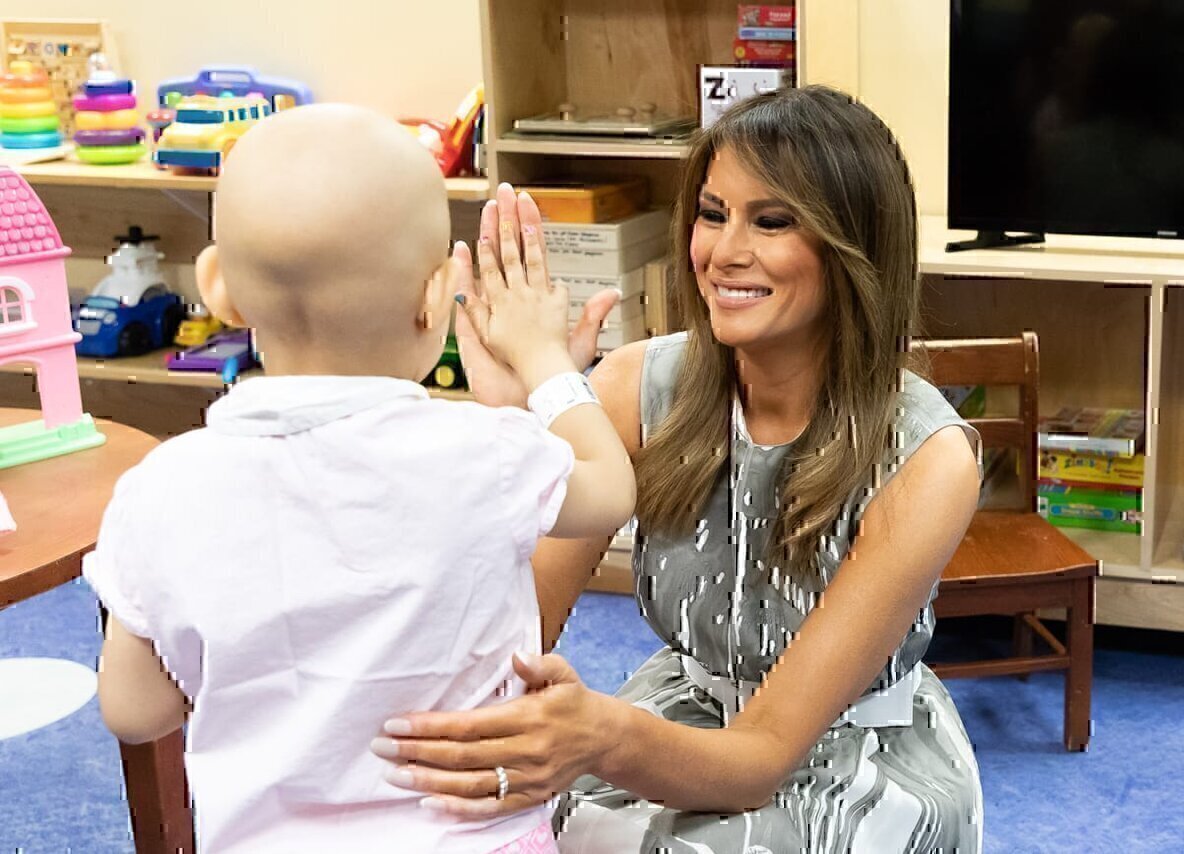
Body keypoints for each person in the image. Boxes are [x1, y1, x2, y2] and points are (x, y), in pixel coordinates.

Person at [373, 85, 986, 853]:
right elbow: (511, 633)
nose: (724, 252)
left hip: (844, 758)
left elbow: (759, 760)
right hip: (681, 716)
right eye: (711, 213)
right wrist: (510, 436)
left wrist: (596, 736)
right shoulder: (635, 385)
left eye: (772, 221)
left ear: (853, 244)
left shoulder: (927, 457)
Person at [84, 103, 634, 853]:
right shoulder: (485, 452)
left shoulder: (159, 490)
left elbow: (134, 709)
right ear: (437, 296)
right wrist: (543, 360)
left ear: (217, 288)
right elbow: (610, 487)